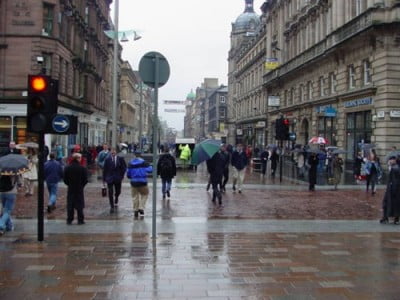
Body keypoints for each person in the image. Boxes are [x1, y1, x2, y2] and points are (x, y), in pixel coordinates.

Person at [63, 153, 88, 225]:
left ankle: (69, 219)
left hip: (71, 188)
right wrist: (81, 185)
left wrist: (69, 184)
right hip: (79, 188)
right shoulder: (82, 168)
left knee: (70, 204)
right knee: (79, 205)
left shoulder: (67, 168)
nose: (81, 159)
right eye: (80, 158)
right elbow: (85, 180)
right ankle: (80, 220)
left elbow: (65, 179)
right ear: (77, 158)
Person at [127, 151, 153, 218]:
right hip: (143, 182)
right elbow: (150, 169)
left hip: (134, 182)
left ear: (134, 155)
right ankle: (141, 208)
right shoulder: (144, 162)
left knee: (135, 196)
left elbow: (128, 173)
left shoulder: (130, 163)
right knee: (145, 194)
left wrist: (131, 176)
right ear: (140, 155)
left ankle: (135, 210)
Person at [102, 147, 127, 213]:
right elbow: (105, 170)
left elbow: (124, 167)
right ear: (110, 152)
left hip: (118, 178)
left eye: (114, 151)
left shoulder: (120, 159)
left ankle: (116, 197)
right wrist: (104, 179)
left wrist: (122, 175)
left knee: (118, 191)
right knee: (110, 192)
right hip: (109, 178)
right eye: (112, 151)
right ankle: (112, 206)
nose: (113, 152)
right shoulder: (107, 159)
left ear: (116, 152)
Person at [380, 156, 400, 224]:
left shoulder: (395, 168)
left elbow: (395, 181)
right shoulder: (394, 167)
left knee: (388, 204)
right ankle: (388, 218)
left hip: (392, 190)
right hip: (392, 189)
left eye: (391, 160)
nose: (390, 161)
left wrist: (393, 190)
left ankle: (387, 218)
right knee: (389, 204)